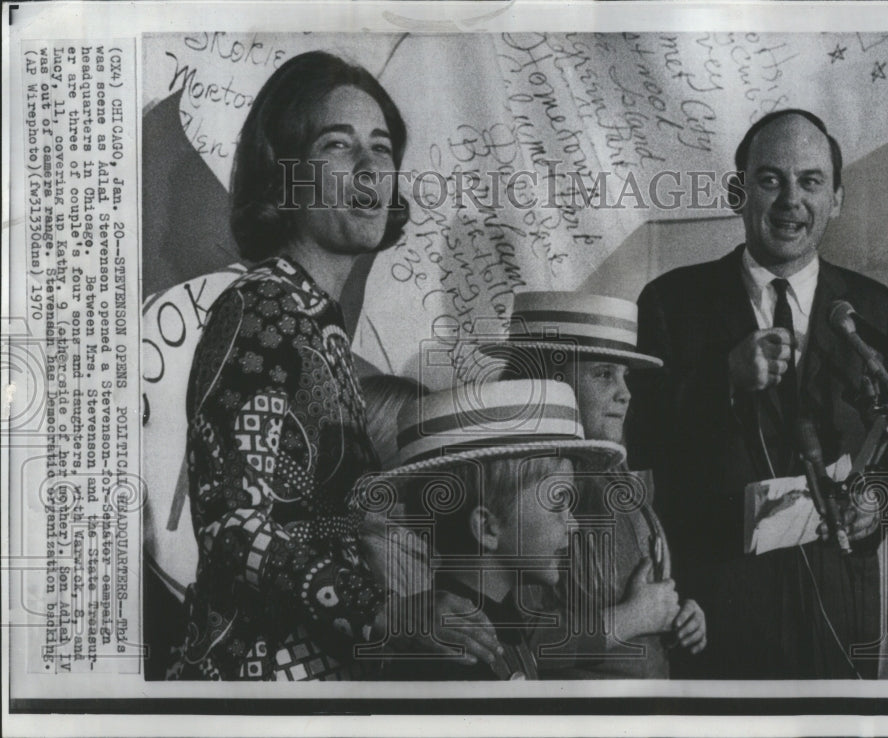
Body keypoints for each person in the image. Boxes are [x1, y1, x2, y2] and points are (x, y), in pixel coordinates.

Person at [169, 52, 502, 681]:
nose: (370, 166)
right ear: (284, 175)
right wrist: (384, 610)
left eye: (381, 148)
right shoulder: (262, 310)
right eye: (338, 145)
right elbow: (233, 531)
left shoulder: (311, 322)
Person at [629, 109, 888, 679]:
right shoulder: (669, 302)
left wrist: (876, 503)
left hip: (839, 610)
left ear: (837, 198)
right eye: (770, 179)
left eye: (810, 181)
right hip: (713, 612)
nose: (791, 200)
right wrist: (722, 380)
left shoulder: (874, 308)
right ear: (738, 191)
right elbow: (638, 440)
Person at [482, 291, 706, 678]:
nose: (625, 392)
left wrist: (679, 616)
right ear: (547, 383)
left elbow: (640, 591)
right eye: (603, 374)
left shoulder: (614, 475)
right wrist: (634, 617)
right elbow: (522, 643)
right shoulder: (524, 488)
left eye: (625, 375)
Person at [360, 379, 627, 680]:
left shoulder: (502, 621)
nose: (573, 523)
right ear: (487, 527)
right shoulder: (457, 649)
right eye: (557, 502)